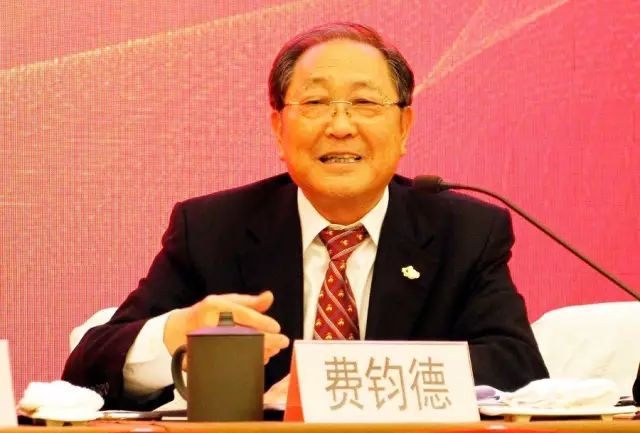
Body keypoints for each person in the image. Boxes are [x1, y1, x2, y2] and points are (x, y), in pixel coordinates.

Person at [63, 22, 548, 410]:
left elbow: (517, 368)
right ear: (279, 128)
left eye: (364, 103)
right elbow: (87, 371)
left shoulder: (465, 232)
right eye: (315, 103)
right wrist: (176, 333)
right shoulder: (212, 229)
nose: (341, 126)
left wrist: (338, 386)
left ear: (404, 126)